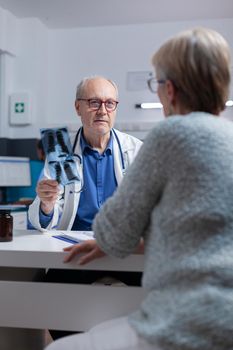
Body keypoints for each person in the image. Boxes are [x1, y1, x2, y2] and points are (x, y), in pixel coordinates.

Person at [45, 27, 233, 350]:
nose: (102, 110)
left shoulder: (167, 135)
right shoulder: (229, 136)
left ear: (170, 90)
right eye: (94, 102)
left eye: (156, 84)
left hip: (184, 321)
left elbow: (115, 234)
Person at [28, 76, 142, 231]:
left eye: (109, 103)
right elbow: (49, 213)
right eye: (94, 103)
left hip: (121, 242)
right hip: (75, 243)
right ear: (77, 107)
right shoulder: (61, 151)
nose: (102, 111)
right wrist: (46, 204)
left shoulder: (135, 149)